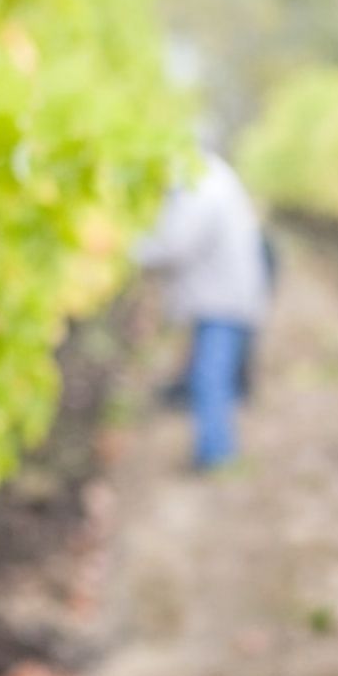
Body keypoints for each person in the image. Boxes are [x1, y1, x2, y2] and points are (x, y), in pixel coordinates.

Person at [135, 152, 270, 470]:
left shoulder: (203, 185)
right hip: (225, 295)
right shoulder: (214, 178)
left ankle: (215, 453)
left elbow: (176, 243)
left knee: (210, 376)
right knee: (212, 373)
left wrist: (130, 249)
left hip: (221, 300)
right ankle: (216, 449)